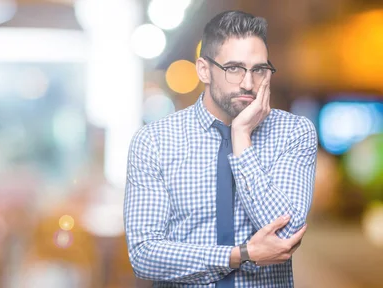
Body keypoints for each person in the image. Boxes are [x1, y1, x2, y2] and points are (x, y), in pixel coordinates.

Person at [124, 10, 317, 287]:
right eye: (234, 68)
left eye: (259, 69)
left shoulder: (294, 132)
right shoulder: (154, 141)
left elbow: (285, 235)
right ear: (204, 69)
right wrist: (239, 255)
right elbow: (144, 254)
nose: (248, 83)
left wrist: (241, 137)